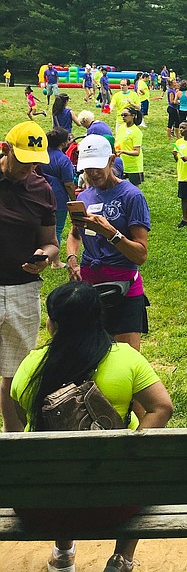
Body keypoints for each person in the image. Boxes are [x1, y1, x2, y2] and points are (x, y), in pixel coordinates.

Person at [9, 281, 173, 572]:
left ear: (52, 324)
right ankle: (122, 558)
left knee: (58, 467)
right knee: (151, 467)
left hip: (44, 508)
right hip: (113, 506)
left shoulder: (29, 367)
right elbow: (162, 407)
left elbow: (18, 423)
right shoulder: (125, 358)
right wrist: (131, 448)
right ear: (99, 318)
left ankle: (63, 554)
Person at [66, 135, 151, 352]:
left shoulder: (132, 196)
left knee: (126, 359)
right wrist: (72, 259)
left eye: (97, 166)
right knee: (89, 354)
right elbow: (75, 234)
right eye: (87, 168)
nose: (92, 173)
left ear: (111, 161)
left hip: (123, 286)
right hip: (89, 284)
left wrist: (111, 233)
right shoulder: (84, 197)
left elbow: (140, 255)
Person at [0, 122, 59, 431]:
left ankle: (11, 442)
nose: (29, 167)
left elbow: (51, 243)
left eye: (35, 161)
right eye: (23, 159)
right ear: (5, 149)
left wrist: (45, 257)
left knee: (16, 371)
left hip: (23, 289)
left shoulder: (42, 189)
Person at [42, 127, 76, 267]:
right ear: (63, 143)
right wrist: (74, 199)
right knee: (57, 228)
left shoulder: (42, 155)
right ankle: (55, 261)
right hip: (58, 197)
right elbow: (68, 183)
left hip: (41, 194)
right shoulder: (63, 159)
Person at [115, 108, 144, 187]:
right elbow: (117, 142)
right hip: (122, 164)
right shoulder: (121, 128)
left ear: (133, 116)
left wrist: (123, 151)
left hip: (133, 167)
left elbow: (136, 152)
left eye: (125, 115)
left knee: (134, 189)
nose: (123, 117)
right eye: (122, 115)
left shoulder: (136, 132)